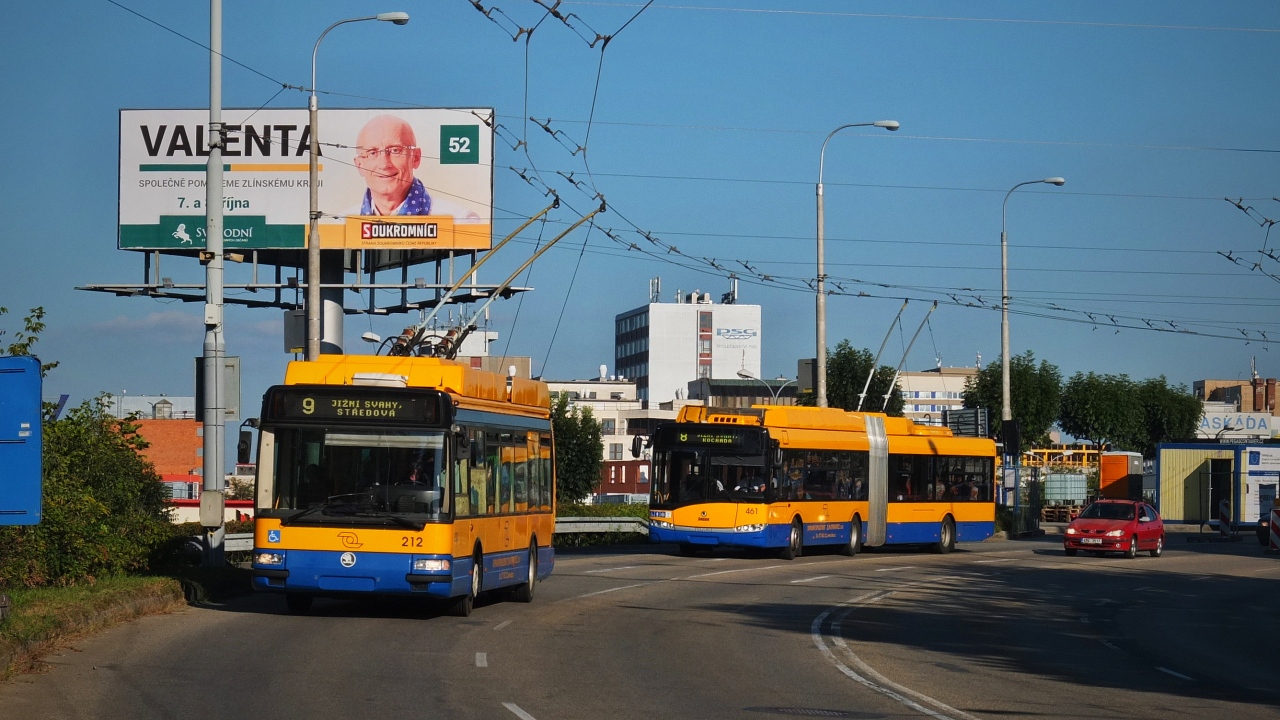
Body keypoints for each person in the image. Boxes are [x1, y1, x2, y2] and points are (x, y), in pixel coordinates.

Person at [351, 115, 482, 222]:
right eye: (372, 153)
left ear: (416, 158)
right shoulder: (341, 223)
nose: (384, 164)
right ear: (359, 165)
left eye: (395, 150)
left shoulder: (460, 220)